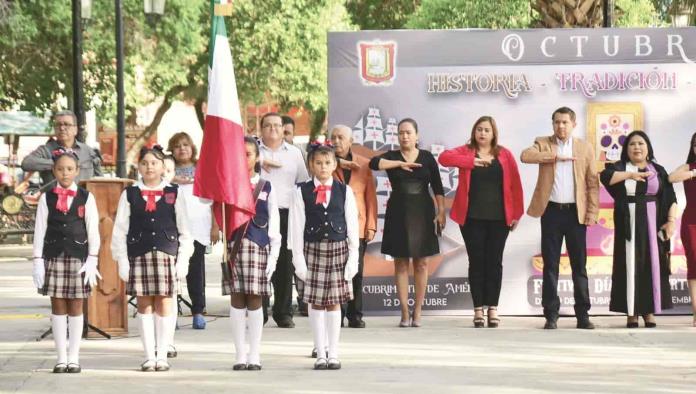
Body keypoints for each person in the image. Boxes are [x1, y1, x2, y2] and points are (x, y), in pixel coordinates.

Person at [111, 145, 193, 372]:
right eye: (145, 163)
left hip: (167, 256)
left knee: (165, 303)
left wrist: (183, 259)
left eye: (154, 163)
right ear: (139, 166)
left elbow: (185, 229)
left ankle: (162, 355)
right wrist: (122, 260)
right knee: (145, 304)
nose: (149, 167)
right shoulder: (130, 194)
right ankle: (149, 356)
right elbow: (120, 230)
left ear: (162, 167)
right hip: (140, 254)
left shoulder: (174, 192)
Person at [438, 116, 524, 328]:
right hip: (471, 218)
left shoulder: (504, 154)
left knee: (494, 262)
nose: (482, 133)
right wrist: (471, 162)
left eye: (486, 130)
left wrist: (517, 214)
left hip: (499, 219)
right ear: (474, 132)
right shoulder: (466, 151)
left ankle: (493, 308)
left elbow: (515, 185)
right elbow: (444, 158)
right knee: (476, 262)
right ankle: (478, 310)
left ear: (493, 133)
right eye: (479, 129)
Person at [520, 107, 598, 330]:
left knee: (579, 267)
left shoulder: (585, 147)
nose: (560, 126)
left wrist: (591, 213)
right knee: (550, 265)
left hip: (576, 214)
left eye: (564, 122)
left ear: (574, 124)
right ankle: (551, 315)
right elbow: (526, 156)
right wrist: (554, 157)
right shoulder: (543, 142)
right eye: (556, 122)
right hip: (551, 212)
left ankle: (583, 315)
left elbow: (593, 182)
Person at [368, 118, 445, 328]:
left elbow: (438, 187)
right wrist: (400, 164)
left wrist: (441, 211)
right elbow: (373, 164)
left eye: (409, 132)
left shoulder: (427, 157)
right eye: (401, 132)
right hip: (399, 210)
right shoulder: (392, 156)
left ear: (417, 135)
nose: (405, 136)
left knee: (422, 263)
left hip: (423, 210)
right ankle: (404, 311)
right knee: (400, 263)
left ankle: (418, 310)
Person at [289, 144, 359, 370]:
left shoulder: (344, 191)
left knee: (334, 303)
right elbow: (296, 226)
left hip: (338, 249)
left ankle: (334, 352)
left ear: (335, 164)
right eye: (318, 163)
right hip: (313, 249)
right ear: (311, 165)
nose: (323, 167)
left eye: (328, 162)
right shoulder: (301, 191)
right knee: (316, 303)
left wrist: (353, 256)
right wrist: (298, 259)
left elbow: (352, 225)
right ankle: (320, 352)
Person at [32, 148, 101, 373]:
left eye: (70, 169)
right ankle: (61, 357)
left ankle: (74, 357)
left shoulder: (86, 197)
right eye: (60, 169)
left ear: (77, 171)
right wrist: (38, 260)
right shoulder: (47, 197)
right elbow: (40, 230)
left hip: (78, 258)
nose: (65, 173)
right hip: (54, 257)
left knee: (76, 306)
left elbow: (93, 230)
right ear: (54, 171)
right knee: (58, 305)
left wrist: (93, 258)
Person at [601, 131, 677, 328]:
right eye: (632, 144)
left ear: (648, 148)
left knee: (650, 266)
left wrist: (670, 221)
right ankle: (631, 313)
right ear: (626, 149)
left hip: (652, 225)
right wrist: (631, 174)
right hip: (628, 223)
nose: (637, 147)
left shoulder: (658, 170)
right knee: (629, 265)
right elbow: (605, 177)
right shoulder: (619, 168)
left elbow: (670, 197)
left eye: (641, 143)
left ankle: (649, 311)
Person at [224, 136, 280, 371]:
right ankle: (239, 354)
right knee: (237, 299)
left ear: (257, 158)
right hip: (235, 246)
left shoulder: (266, 186)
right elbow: (211, 203)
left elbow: (274, 222)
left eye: (248, 154)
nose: (243, 158)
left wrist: (274, 256)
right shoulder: (228, 184)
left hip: (258, 247)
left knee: (256, 300)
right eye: (239, 154)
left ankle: (254, 354)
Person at [259, 112, 310, 328]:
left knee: (284, 264)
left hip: (286, 212)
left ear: (284, 129)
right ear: (261, 129)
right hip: (258, 212)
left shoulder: (294, 153)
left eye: (277, 125)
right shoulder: (252, 151)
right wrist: (260, 160)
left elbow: (303, 182)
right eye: (268, 125)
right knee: (260, 262)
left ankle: (283, 312)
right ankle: (259, 311)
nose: (273, 129)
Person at [167, 132, 219, 330]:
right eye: (178, 145)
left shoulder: (202, 170)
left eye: (186, 145)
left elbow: (213, 200)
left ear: (192, 148)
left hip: (199, 228)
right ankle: (171, 313)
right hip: (173, 229)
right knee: (173, 272)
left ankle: (198, 311)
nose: (182, 149)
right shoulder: (167, 171)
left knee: (195, 271)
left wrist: (215, 226)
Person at [330, 125, 378, 328]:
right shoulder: (326, 163)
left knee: (356, 271)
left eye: (341, 137)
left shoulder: (364, 165)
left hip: (358, 225)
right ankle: (337, 315)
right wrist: (337, 162)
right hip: (334, 226)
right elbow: (310, 160)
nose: (336, 141)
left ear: (351, 141)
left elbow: (370, 198)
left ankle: (355, 315)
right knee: (336, 272)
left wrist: (371, 226)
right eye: (333, 137)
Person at [21, 110, 102, 188]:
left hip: (82, 200)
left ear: (75, 130)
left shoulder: (88, 152)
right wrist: (57, 164)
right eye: (58, 125)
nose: (62, 128)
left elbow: (101, 181)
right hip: (53, 200)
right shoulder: (45, 150)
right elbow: (26, 163)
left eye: (67, 124)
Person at [668, 131, 696, 327]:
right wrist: (694, 172)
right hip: (692, 221)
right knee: (694, 264)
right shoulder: (688, 168)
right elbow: (671, 178)